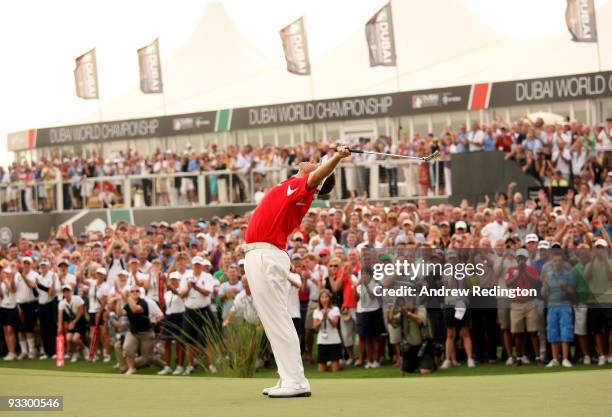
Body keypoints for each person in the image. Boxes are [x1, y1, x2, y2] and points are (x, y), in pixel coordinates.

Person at [244, 144, 349, 398]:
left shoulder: (305, 187)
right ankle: (287, 378)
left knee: (278, 320)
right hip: (262, 254)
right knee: (272, 322)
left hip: (265, 255)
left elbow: (319, 174)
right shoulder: (291, 183)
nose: (311, 160)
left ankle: (297, 382)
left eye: (317, 162)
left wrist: (336, 157)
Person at [116, 285, 164, 375]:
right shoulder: (128, 304)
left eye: (137, 291)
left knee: (147, 358)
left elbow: (136, 310)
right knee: (127, 348)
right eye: (132, 291)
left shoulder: (144, 303)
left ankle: (164, 366)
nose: (134, 292)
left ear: (140, 293)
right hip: (133, 332)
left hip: (146, 333)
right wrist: (119, 301)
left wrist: (127, 298)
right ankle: (131, 368)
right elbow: (120, 313)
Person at [542, 251, 575, 368]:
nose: (557, 263)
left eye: (559, 261)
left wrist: (565, 288)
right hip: (552, 306)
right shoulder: (548, 275)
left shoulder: (568, 275)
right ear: (552, 262)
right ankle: (555, 359)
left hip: (565, 306)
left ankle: (565, 359)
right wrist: (545, 285)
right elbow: (543, 294)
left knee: (565, 331)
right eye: (555, 261)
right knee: (552, 331)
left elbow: (573, 293)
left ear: (563, 262)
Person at [158, 274, 186, 376]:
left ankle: (180, 366)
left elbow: (176, 292)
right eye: (172, 280)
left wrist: (167, 283)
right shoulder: (167, 293)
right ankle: (168, 366)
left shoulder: (182, 291)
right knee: (166, 343)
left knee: (180, 343)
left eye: (175, 280)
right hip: (169, 317)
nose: (174, 282)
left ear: (179, 281)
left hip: (180, 316)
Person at [312, 289, 342, 372]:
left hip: (334, 341)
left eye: (326, 297)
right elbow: (315, 327)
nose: (324, 299)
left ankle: (335, 363)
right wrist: (322, 318)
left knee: (335, 369)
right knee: (321, 370)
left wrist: (328, 316)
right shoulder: (316, 311)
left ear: (329, 298)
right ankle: (329, 363)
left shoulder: (335, 309)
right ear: (320, 299)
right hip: (322, 341)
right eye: (322, 297)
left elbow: (334, 324)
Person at [57, 285, 86, 363]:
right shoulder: (61, 303)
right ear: (63, 293)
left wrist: (74, 322)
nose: (66, 293)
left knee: (75, 339)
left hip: (80, 321)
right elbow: (60, 316)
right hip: (71, 322)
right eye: (64, 292)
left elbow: (81, 311)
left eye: (68, 291)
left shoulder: (77, 298)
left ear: (71, 292)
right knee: (68, 338)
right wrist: (59, 327)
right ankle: (75, 354)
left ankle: (84, 349)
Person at [1, 266, 19, 360]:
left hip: (12, 307)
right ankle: (10, 352)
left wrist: (6, 280)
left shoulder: (13, 281)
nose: (7, 274)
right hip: (3, 307)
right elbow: (2, 295)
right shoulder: (2, 283)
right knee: (5, 331)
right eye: (5, 273)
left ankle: (13, 352)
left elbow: (12, 290)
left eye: (9, 273)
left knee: (10, 330)